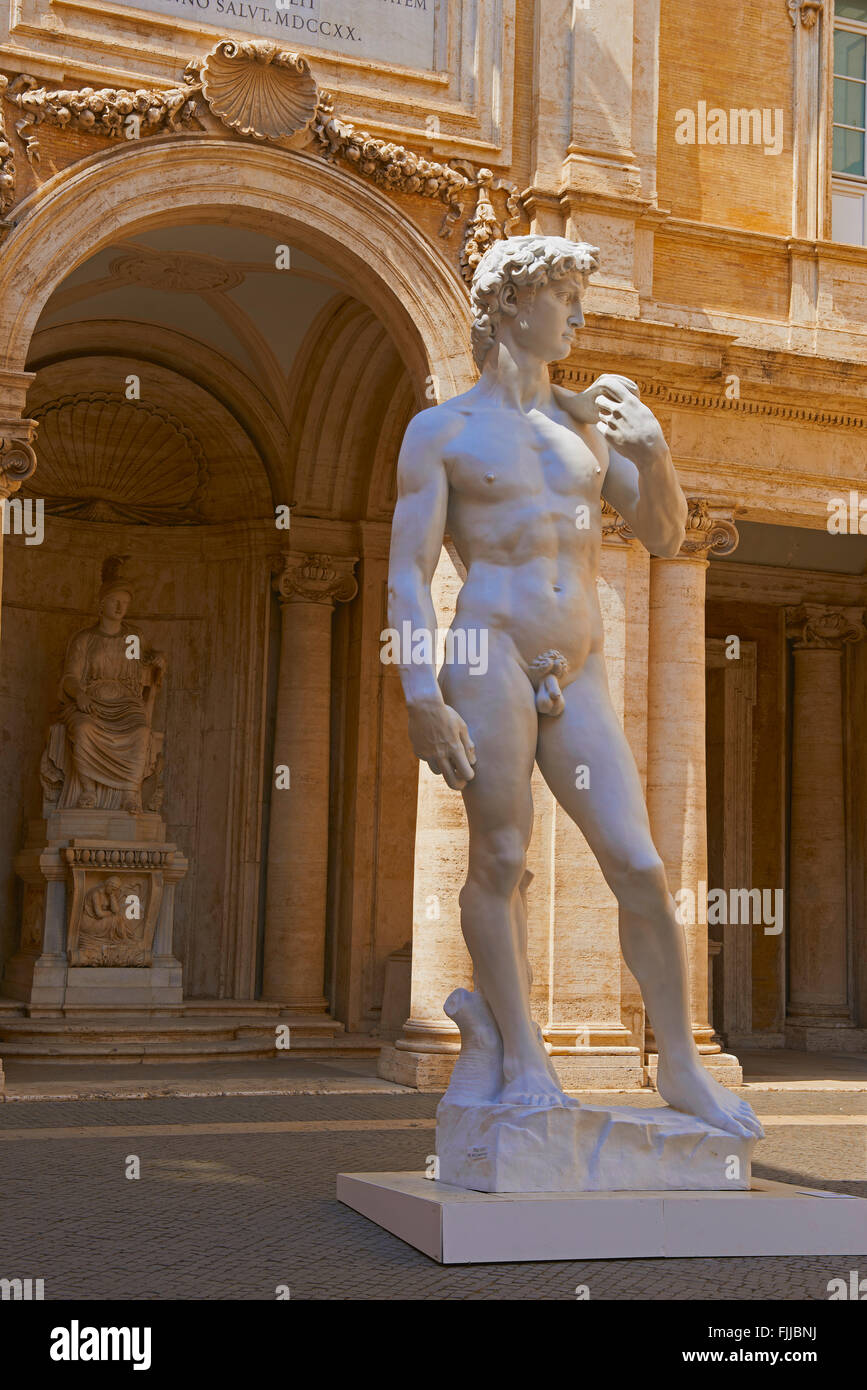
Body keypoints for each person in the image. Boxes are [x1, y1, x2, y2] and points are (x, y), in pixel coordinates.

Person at [387, 235, 762, 1140]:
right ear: (510, 305)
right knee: (501, 860)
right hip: (487, 654)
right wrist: (419, 693)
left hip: (578, 662)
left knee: (637, 864)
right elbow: (406, 571)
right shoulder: (442, 430)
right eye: (562, 296)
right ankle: (520, 1056)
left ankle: (677, 1064)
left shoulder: (584, 423)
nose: (579, 314)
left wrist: (657, 451)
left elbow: (667, 534)